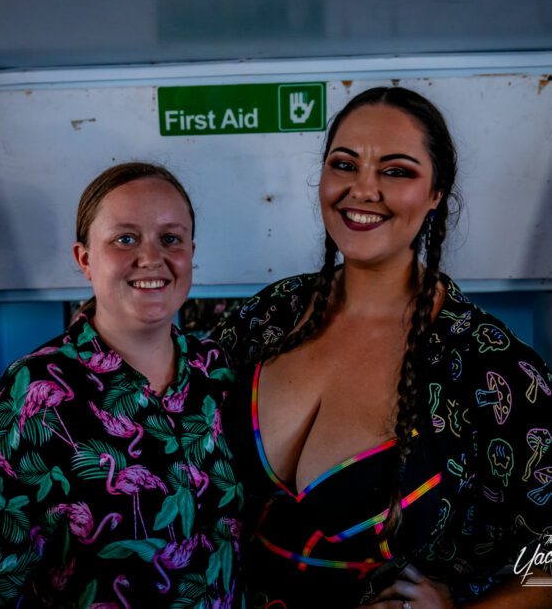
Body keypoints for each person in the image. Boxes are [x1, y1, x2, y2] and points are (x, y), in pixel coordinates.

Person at [215, 88, 552, 608]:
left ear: (437, 193)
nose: (362, 189)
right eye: (344, 164)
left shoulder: (491, 369)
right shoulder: (270, 315)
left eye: (396, 171)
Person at [0, 162, 243, 607]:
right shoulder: (34, 395)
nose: (151, 257)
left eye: (171, 239)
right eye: (125, 239)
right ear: (85, 259)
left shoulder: (217, 374)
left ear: (190, 252)